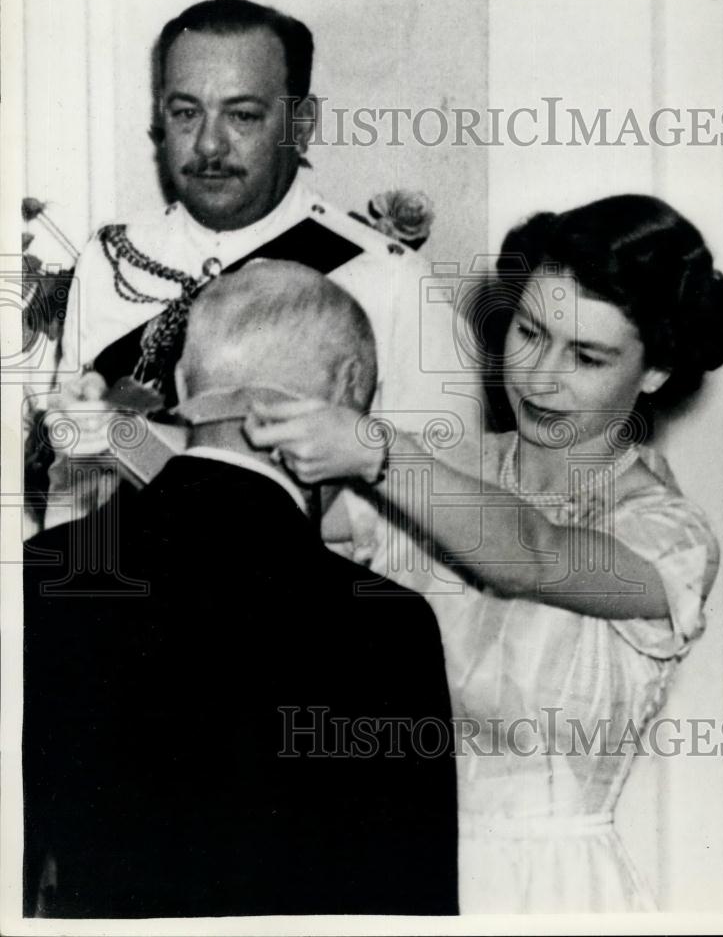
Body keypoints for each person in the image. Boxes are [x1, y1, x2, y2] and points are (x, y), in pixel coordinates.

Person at [242, 194, 723, 912]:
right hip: (398, 865)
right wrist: (120, 436)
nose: (541, 378)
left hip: (553, 894)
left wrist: (374, 449)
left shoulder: (667, 536)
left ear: (656, 369)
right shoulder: (445, 470)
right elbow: (250, 521)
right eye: (530, 333)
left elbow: (530, 553)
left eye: (587, 357)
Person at [23, 263, 458, 918]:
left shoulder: (39, 575)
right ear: (350, 389)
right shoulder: (386, 628)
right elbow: (411, 907)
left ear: (176, 383)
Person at [46, 0, 466, 540]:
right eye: (185, 112)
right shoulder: (110, 258)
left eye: (242, 115)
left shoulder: (391, 282)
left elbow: (436, 512)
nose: (209, 144)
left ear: (301, 123)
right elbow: (72, 484)